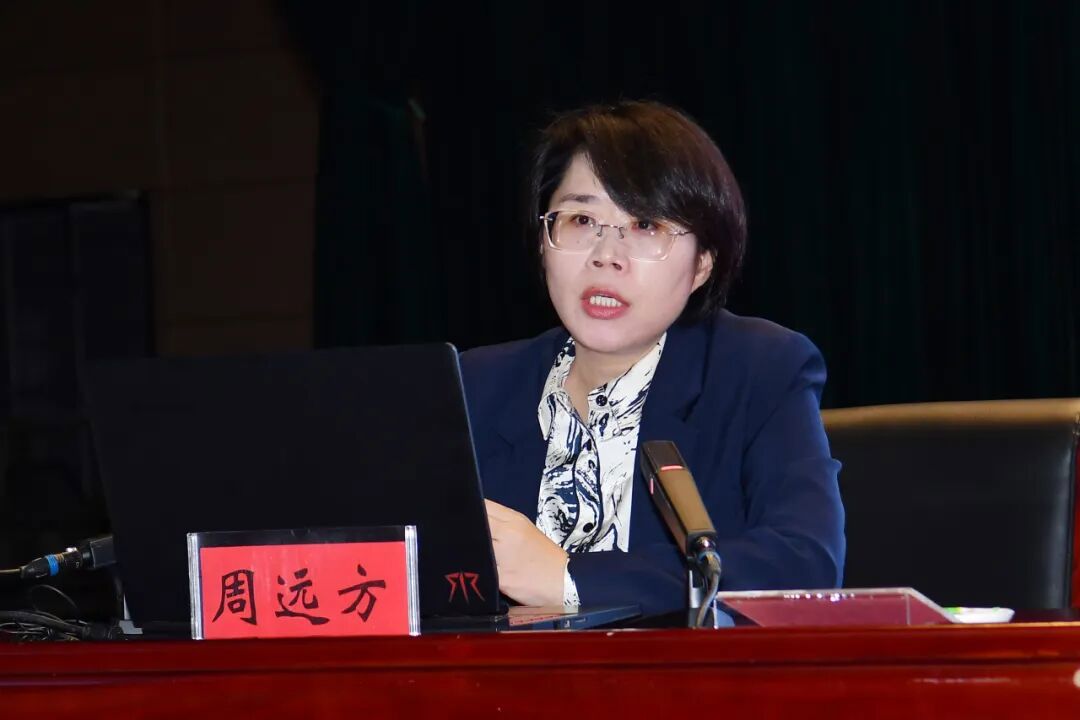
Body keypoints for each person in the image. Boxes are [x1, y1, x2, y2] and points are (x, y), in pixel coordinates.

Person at [460, 101, 845, 617]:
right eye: (581, 220)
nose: (606, 255)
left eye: (645, 225)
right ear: (544, 241)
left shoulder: (758, 370)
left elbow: (805, 564)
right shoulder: (474, 387)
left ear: (702, 264)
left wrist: (570, 580)